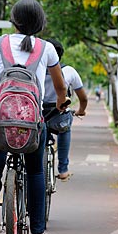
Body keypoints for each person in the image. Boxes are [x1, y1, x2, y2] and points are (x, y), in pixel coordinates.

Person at [0, 0, 68, 234]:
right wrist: (62, 102)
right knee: (36, 171)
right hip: (32, 124)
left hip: (4, 120)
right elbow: (60, 87)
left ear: (13, 21)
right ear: (40, 23)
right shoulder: (47, 48)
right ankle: (37, 232)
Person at [43, 39, 88, 182]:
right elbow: (83, 98)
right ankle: (63, 170)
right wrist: (81, 110)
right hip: (58, 117)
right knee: (65, 129)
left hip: (36, 116)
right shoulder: (68, 71)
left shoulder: (33, 69)